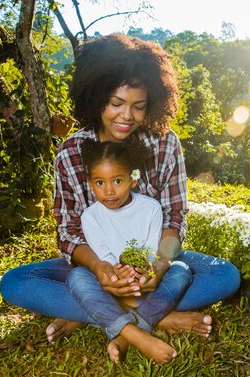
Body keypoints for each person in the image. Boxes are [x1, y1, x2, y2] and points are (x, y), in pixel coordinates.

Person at [0, 33, 241, 363]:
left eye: (138, 107)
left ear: (152, 103)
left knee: (226, 276)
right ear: (96, 97)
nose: (126, 116)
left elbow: (174, 218)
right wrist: (101, 270)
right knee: (15, 283)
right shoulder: (69, 153)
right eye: (116, 103)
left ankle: (95, 312)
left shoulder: (166, 144)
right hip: (95, 264)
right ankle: (154, 319)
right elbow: (68, 233)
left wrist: (158, 266)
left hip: (155, 260)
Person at [70, 137, 192, 363]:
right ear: (90, 183)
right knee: (77, 276)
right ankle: (144, 327)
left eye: (117, 181)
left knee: (182, 270)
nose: (108, 191)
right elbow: (103, 256)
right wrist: (118, 277)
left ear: (132, 179)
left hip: (144, 279)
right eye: (99, 183)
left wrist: (145, 272)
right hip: (112, 284)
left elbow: (149, 249)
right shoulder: (90, 216)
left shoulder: (150, 208)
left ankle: (124, 330)